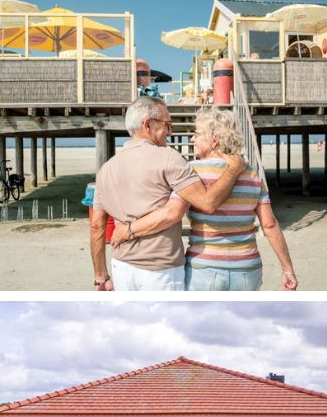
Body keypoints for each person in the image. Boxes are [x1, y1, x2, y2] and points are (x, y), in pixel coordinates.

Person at [110, 107, 297, 290]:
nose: (192, 138)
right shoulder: (252, 174)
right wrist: (287, 269)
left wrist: (127, 231)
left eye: (197, 134)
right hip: (247, 269)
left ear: (214, 140)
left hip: (205, 267)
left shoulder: (192, 172)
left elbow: (171, 213)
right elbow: (270, 225)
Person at [91, 97, 246, 291]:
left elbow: (97, 225)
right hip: (160, 268)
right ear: (148, 124)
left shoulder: (105, 169)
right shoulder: (169, 158)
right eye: (167, 125)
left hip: (121, 265)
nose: (170, 132)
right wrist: (233, 170)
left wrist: (100, 275)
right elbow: (207, 202)